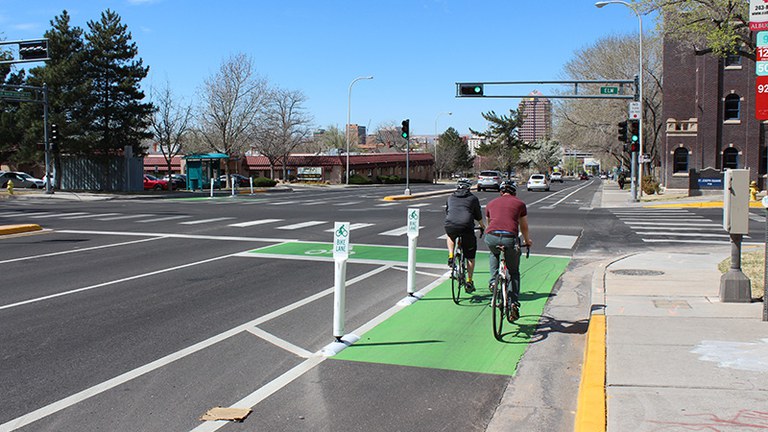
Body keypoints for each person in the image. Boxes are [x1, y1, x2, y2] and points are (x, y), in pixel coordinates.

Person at [484, 181, 532, 321]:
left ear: (501, 192)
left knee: (494, 253)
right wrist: (527, 241)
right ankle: (513, 304)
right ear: (514, 192)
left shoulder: (491, 203)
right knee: (514, 272)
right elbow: (524, 226)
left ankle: (493, 281)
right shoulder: (520, 204)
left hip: (491, 237)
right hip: (509, 238)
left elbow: (489, 223)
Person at [444, 178, 485, 293]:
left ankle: (451, 255)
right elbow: (478, 216)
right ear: (468, 187)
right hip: (466, 226)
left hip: (450, 224)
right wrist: (482, 226)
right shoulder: (473, 198)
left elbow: (448, 212)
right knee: (470, 257)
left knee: (450, 236)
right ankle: (469, 281)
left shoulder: (450, 197)